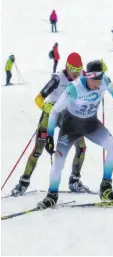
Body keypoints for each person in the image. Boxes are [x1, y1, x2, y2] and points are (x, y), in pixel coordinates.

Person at [37, 60, 113, 208]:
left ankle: (106, 188)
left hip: (91, 124)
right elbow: (55, 111)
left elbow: (111, 88)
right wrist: (50, 135)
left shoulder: (104, 81)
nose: (99, 85)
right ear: (88, 77)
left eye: (101, 80)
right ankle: (52, 194)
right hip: (70, 127)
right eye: (96, 81)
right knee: (58, 161)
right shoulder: (73, 89)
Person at [11, 53, 89, 196]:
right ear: (67, 67)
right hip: (51, 115)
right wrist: (46, 107)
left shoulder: (82, 76)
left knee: (82, 148)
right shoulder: (57, 79)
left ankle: (74, 181)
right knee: (38, 150)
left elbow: (96, 79)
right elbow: (38, 98)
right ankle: (23, 182)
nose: (76, 74)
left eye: (79, 70)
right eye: (73, 70)